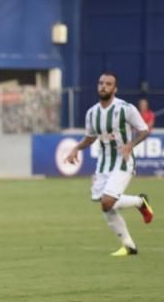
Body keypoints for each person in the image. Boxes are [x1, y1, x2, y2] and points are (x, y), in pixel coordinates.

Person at [65, 72, 153, 255]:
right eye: (101, 83)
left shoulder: (125, 108)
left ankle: (139, 202)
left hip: (123, 161)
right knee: (105, 206)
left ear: (115, 88)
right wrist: (75, 149)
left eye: (108, 84)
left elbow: (144, 130)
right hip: (103, 164)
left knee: (107, 201)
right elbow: (90, 138)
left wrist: (131, 144)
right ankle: (129, 245)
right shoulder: (92, 113)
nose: (103, 86)